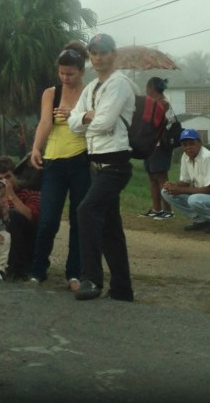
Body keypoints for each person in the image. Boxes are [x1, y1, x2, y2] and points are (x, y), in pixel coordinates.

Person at [68, 33, 138, 302]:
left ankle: (91, 279)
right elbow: (72, 123)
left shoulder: (119, 84)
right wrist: (86, 116)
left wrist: (84, 120)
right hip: (96, 164)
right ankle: (122, 289)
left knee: (86, 210)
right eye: (94, 53)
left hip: (115, 164)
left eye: (104, 52)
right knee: (110, 228)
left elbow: (105, 122)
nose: (98, 57)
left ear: (114, 54)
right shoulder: (91, 88)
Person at [27, 40, 91, 291]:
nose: (65, 78)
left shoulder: (90, 92)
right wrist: (36, 148)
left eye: (70, 74)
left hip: (81, 160)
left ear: (81, 71)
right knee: (48, 220)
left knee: (78, 219)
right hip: (53, 161)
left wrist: (74, 115)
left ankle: (74, 273)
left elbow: (97, 121)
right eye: (61, 73)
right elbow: (45, 123)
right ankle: (37, 269)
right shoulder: (50, 93)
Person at [161, 129, 210, 233]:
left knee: (193, 199)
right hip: (204, 198)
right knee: (166, 192)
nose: (188, 147)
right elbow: (185, 182)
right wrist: (173, 185)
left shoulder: (207, 157)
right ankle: (201, 220)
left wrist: (180, 190)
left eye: (191, 143)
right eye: (185, 144)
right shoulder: (185, 156)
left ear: (200, 143)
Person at [0, 156, 41, 281]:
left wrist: (12, 196)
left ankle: (18, 268)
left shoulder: (29, 192)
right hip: (4, 243)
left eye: (8, 177)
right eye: (0, 179)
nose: (4, 182)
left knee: (13, 215)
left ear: (15, 175)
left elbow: (32, 216)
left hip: (26, 241)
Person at [138, 76, 180, 220]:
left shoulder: (163, 103)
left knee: (161, 178)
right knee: (152, 177)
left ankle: (168, 211)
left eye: (147, 88)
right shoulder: (156, 103)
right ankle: (157, 209)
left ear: (151, 88)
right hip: (152, 145)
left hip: (161, 145)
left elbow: (151, 122)